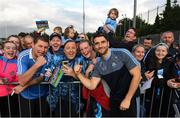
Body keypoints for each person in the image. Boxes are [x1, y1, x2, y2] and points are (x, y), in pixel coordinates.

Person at [74, 32, 141, 117]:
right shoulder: (98, 64)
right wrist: (78, 74)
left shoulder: (122, 53)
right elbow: (91, 85)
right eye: (97, 43)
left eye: (103, 42)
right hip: (114, 100)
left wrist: (128, 99)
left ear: (108, 43)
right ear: (94, 46)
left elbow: (137, 75)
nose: (100, 45)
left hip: (131, 98)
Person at [14, 36, 50, 117]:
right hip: (27, 97)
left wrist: (24, 86)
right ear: (33, 45)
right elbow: (21, 81)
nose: (43, 50)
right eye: (40, 46)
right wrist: (37, 65)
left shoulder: (48, 56)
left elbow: (42, 77)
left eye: (45, 47)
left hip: (42, 95)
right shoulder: (23, 56)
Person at [46, 40, 82, 117]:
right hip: (58, 99)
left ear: (76, 49)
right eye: (68, 48)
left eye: (73, 48)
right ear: (64, 50)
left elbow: (86, 80)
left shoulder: (80, 60)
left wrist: (73, 74)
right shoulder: (57, 59)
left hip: (74, 100)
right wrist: (51, 75)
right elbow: (51, 80)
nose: (71, 50)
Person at [78, 40, 110, 117]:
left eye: (86, 48)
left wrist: (98, 65)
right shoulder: (82, 61)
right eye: (81, 49)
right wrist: (86, 72)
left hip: (104, 97)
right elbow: (85, 80)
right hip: (91, 97)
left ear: (91, 47)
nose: (84, 51)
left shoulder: (102, 56)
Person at [144, 43, 175, 117]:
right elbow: (150, 78)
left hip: (165, 94)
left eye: (163, 51)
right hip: (151, 94)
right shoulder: (149, 62)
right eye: (158, 50)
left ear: (167, 52)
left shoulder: (170, 63)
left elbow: (172, 77)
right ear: (154, 51)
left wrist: (168, 81)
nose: (160, 53)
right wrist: (166, 81)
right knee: (151, 112)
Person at [0, 41, 19, 117]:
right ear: (3, 50)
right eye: (8, 48)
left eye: (14, 48)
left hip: (11, 96)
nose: (11, 50)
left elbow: (19, 78)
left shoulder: (18, 62)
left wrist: (8, 80)